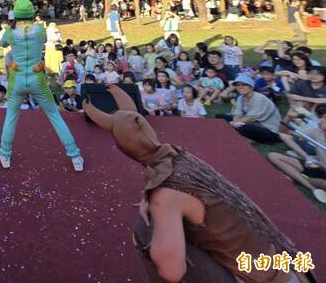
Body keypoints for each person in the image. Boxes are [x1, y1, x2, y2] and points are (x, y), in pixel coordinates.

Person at [84, 84, 311, 283]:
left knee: (143, 232)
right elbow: (158, 167)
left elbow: (171, 271)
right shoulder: (178, 154)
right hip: (283, 262)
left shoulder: (165, 195)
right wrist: (149, 197)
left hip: (261, 277)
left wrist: (157, 216)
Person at [0, 0, 84, 171]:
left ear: (16, 13)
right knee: (54, 115)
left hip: (17, 78)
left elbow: (2, 44)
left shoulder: (9, 32)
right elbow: (41, 40)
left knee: (11, 116)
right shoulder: (40, 30)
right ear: (32, 13)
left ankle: (5, 155)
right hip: (38, 79)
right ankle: (75, 156)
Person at [267, 105, 326, 204]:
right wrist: (289, 116)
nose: (321, 120)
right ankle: (311, 186)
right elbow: (282, 131)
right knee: (273, 156)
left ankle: (298, 176)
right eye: (324, 117)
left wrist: (320, 166)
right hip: (315, 165)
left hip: (322, 170)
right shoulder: (316, 131)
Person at [216, 73, 282, 144]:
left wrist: (232, 125)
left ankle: (244, 137)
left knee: (244, 127)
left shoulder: (259, 98)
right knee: (219, 117)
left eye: (244, 85)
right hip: (252, 122)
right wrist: (234, 124)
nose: (240, 87)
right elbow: (238, 115)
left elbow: (250, 119)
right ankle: (238, 134)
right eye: (238, 85)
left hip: (268, 128)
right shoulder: (241, 97)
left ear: (251, 87)